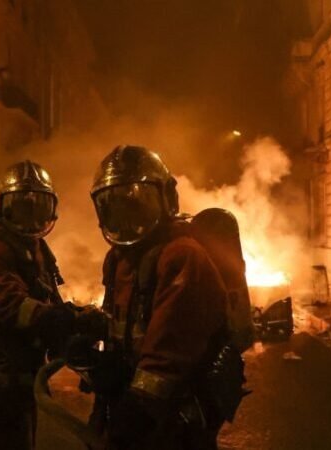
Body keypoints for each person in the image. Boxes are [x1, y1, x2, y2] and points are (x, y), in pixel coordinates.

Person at [89, 145, 230, 450]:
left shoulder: (182, 256)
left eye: (136, 204)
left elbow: (170, 348)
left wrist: (138, 408)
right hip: (133, 407)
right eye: (115, 206)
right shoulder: (120, 259)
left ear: (167, 199)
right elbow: (122, 326)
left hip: (171, 421)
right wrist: (94, 353)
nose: (126, 218)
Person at [0, 160, 103, 450]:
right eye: (20, 207)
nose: (30, 216)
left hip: (22, 381)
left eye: (38, 206)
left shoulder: (34, 251)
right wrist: (61, 320)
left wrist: (76, 322)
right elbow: (9, 305)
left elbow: (47, 299)